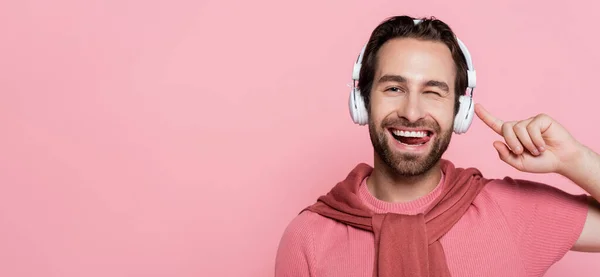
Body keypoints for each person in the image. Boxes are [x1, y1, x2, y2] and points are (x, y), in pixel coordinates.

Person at [274, 15, 600, 277]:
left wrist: (575, 160)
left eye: (433, 91)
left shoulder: (513, 212)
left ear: (461, 111)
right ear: (361, 101)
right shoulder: (308, 239)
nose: (412, 112)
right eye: (393, 88)